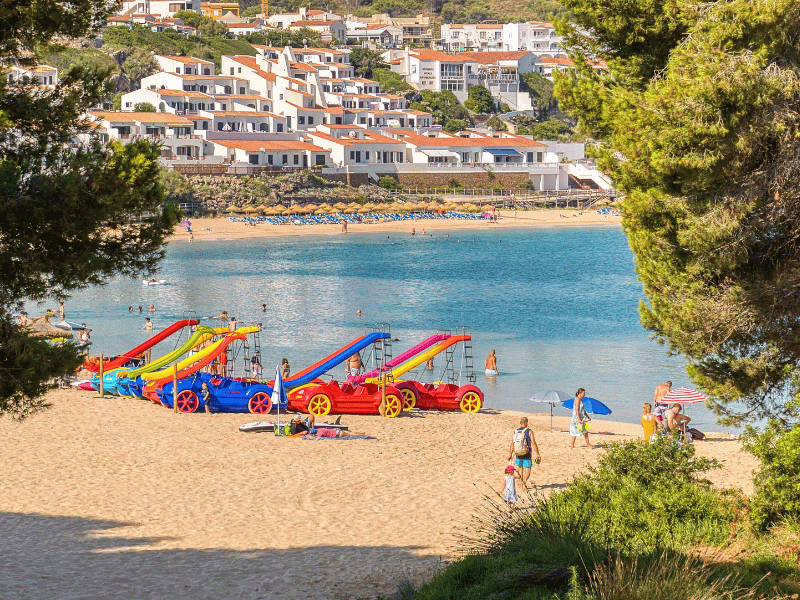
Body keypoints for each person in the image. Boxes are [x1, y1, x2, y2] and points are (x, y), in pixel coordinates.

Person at [508, 416, 540, 489]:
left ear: (520, 423)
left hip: (518, 453)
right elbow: (533, 443)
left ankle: (521, 482)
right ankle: (524, 482)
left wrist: (510, 454)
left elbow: (512, 444)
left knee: (520, 469)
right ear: (526, 423)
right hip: (527, 453)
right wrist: (537, 454)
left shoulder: (515, 431)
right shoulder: (529, 431)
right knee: (527, 470)